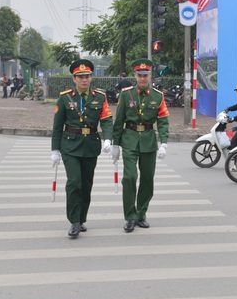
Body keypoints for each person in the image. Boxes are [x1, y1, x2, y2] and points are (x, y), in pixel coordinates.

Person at [50, 59, 113, 238]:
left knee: (86, 185)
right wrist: (55, 150)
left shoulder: (100, 97)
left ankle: (81, 218)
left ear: (91, 78)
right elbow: (57, 126)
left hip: (91, 145)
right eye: (80, 77)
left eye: (87, 76)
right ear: (74, 79)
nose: (84, 80)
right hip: (69, 145)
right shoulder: (65, 98)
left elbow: (107, 119)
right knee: (74, 182)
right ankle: (74, 222)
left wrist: (108, 138)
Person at [111, 58, 170, 233]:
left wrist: (164, 143)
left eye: (145, 75)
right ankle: (130, 216)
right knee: (129, 177)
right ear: (135, 76)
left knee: (147, 179)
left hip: (149, 142)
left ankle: (141, 214)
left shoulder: (158, 96)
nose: (142, 78)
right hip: (129, 139)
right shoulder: (126, 94)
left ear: (150, 75)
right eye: (139, 75)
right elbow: (119, 120)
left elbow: (163, 121)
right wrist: (115, 144)